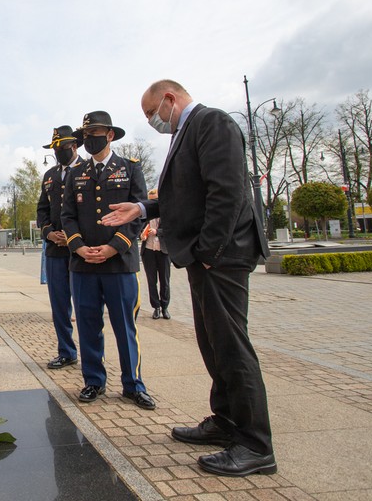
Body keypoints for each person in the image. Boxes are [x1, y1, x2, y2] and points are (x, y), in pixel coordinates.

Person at [102, 79, 275, 477]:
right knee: (213, 344)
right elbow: (184, 194)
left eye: (152, 113)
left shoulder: (212, 122)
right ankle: (226, 422)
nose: (152, 121)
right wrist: (141, 208)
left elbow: (226, 192)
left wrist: (209, 254)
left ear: (170, 98)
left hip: (222, 256)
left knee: (231, 347)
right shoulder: (186, 132)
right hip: (208, 257)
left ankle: (255, 444)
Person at [61, 111, 156, 410]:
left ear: (110, 135)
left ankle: (133, 384)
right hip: (83, 264)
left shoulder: (130, 168)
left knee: (125, 326)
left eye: (95, 133)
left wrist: (115, 247)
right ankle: (94, 381)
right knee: (88, 325)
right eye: (86, 135)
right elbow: (67, 216)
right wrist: (78, 247)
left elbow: (139, 214)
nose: (90, 139)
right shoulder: (76, 173)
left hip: (119, 264)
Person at [36, 125, 84, 370]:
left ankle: (92, 355)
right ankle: (66, 351)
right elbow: (42, 210)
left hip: (81, 251)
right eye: (54, 149)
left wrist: (73, 237)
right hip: (55, 250)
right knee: (59, 305)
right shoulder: (50, 175)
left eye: (62, 147)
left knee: (85, 306)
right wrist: (49, 233)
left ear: (74, 146)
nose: (58, 152)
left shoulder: (87, 169)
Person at [140, 189, 171, 319]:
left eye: (155, 200)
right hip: (148, 250)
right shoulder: (145, 216)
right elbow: (138, 228)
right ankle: (156, 307)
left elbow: (172, 230)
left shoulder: (167, 213)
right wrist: (142, 234)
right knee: (151, 281)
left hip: (163, 251)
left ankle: (165, 307)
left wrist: (157, 232)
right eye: (150, 200)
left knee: (165, 281)